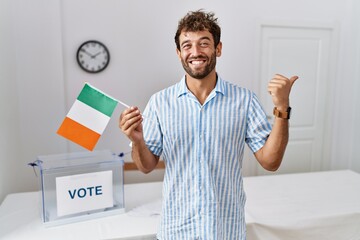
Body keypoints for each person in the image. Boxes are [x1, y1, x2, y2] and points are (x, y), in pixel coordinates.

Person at [119, 9, 298, 240]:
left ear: (218, 49)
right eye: (187, 45)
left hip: (225, 229)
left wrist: (282, 108)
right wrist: (137, 141)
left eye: (204, 43)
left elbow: (270, 162)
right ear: (178, 52)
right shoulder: (160, 102)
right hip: (177, 229)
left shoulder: (244, 100)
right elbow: (146, 166)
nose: (195, 52)